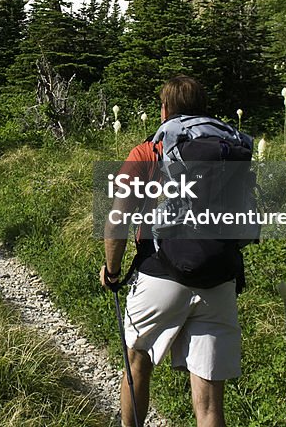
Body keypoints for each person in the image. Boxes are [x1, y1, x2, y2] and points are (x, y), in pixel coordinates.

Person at [100, 75, 252, 427]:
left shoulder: (149, 150)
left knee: (137, 363)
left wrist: (112, 270)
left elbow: (117, 219)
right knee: (211, 402)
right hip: (219, 273)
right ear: (203, 108)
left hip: (160, 272)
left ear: (164, 109)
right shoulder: (229, 146)